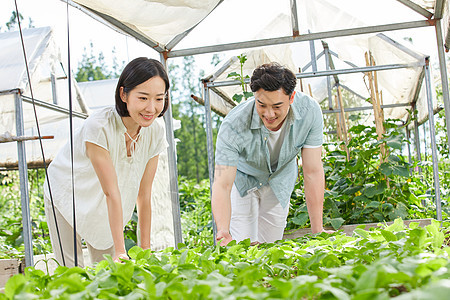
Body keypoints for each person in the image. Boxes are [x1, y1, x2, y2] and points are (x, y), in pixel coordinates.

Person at [44, 57, 169, 267]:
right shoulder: (99, 126)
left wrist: (145, 250)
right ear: (124, 94)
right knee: (71, 272)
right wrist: (120, 250)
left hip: (104, 206)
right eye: (143, 98)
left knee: (108, 274)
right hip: (66, 194)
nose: (151, 108)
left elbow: (144, 194)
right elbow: (111, 192)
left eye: (159, 98)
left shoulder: (156, 130)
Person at [212, 62, 330, 246]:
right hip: (244, 180)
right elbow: (222, 183)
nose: (269, 114)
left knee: (271, 248)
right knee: (242, 246)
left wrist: (318, 230)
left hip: (279, 180)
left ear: (292, 98)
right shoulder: (233, 125)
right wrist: (223, 230)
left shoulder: (309, 112)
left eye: (277, 106)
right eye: (261, 105)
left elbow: (312, 171)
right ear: (254, 97)